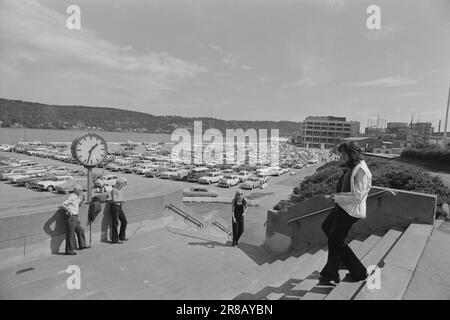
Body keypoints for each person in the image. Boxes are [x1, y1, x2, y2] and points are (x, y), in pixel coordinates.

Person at [319, 141, 372, 284]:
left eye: (343, 154)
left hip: (349, 212)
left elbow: (358, 196)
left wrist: (334, 198)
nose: (340, 157)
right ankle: (346, 265)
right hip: (343, 207)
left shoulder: (360, 170)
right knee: (327, 229)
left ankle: (336, 273)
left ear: (351, 155)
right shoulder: (352, 167)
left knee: (335, 241)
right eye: (340, 154)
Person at [61, 184, 90, 255]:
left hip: (75, 217)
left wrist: (83, 199)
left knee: (81, 230)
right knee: (70, 234)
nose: (81, 191)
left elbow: (78, 205)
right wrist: (69, 211)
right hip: (71, 217)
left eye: (81, 190)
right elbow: (63, 204)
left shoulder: (77, 197)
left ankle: (82, 245)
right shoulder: (72, 196)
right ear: (76, 190)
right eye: (80, 190)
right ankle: (69, 250)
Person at [110, 178, 128, 243]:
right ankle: (115, 239)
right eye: (121, 184)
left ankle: (122, 236)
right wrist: (122, 200)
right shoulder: (114, 190)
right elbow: (114, 200)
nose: (122, 186)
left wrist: (121, 201)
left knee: (124, 221)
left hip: (119, 206)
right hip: (114, 207)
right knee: (115, 223)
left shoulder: (121, 189)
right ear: (118, 184)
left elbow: (120, 197)